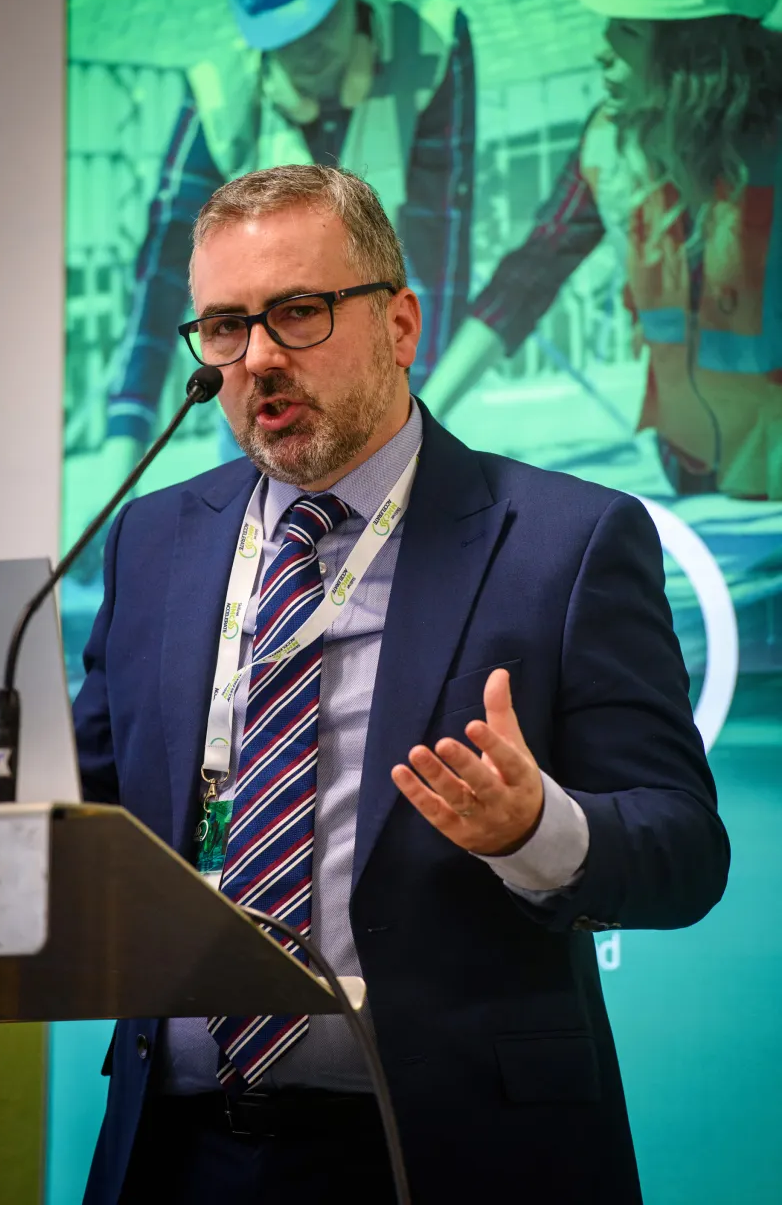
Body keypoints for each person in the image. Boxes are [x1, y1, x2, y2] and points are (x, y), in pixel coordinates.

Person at [75, 164, 729, 1205]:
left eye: (297, 312)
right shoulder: (153, 539)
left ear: (399, 321)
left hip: (450, 1150)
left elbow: (685, 850)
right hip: (179, 1151)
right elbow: (87, 817)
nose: (257, 360)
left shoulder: (564, 540)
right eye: (224, 327)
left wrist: (534, 829)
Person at [102, 0, 474, 489]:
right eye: (278, 34)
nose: (300, 51)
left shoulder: (429, 44)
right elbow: (160, 273)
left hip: (380, 395)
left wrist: (419, 430)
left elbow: (438, 242)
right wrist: (122, 447)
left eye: (315, 23)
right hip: (266, 411)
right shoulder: (219, 94)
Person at [423, 0, 782, 499]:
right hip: (691, 467)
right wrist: (420, 420)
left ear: (699, 54)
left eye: (630, 31)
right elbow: (528, 275)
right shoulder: (609, 146)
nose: (601, 46)